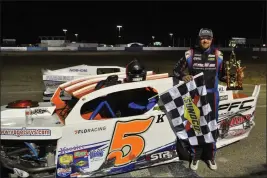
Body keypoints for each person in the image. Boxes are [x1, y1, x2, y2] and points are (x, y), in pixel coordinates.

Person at [173, 28, 244, 171]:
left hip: (212, 96)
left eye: (208, 38)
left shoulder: (219, 55)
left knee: (211, 127)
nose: (205, 40)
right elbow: (176, 70)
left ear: (212, 39)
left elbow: (224, 77)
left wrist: (237, 77)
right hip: (194, 96)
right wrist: (183, 76)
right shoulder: (189, 54)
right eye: (202, 38)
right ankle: (195, 156)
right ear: (198, 39)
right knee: (195, 127)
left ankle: (210, 156)